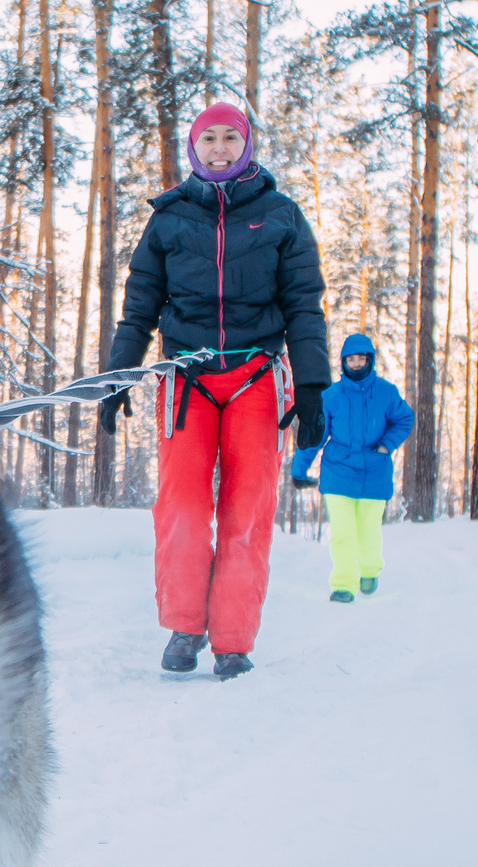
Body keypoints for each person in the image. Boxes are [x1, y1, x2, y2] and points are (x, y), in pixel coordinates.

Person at [101, 102, 328, 680]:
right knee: (181, 506)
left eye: (231, 138)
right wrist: (117, 377)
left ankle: (232, 640)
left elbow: (304, 307)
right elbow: (138, 309)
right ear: (194, 148)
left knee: (246, 509)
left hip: (256, 378)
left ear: (247, 145)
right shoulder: (169, 219)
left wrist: (312, 388)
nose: (219, 148)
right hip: (187, 380)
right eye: (209, 140)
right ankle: (184, 625)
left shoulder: (281, 216)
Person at [290, 334, 415, 602]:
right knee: (343, 534)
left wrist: (386, 445)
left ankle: (370, 569)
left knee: (369, 533)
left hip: (375, 474)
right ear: (343, 361)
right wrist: (299, 468)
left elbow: (405, 418)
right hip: (338, 473)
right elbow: (316, 436)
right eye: (351, 359)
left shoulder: (386, 392)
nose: (356, 364)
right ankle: (344, 584)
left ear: (370, 360)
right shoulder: (331, 396)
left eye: (361, 358)